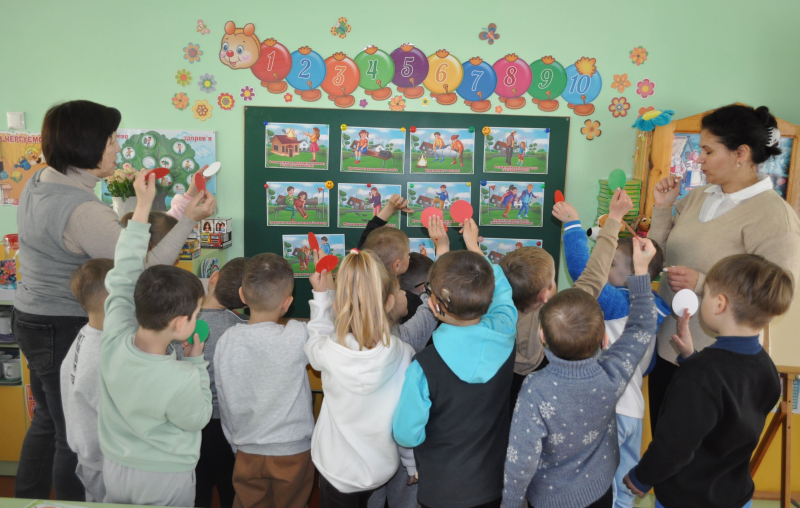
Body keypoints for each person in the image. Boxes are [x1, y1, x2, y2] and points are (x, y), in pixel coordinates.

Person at [12, 100, 211, 500]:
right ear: (87, 146)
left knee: (50, 419)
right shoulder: (84, 210)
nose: (118, 148)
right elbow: (141, 269)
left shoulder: (42, 179)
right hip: (64, 323)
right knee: (74, 435)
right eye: (111, 140)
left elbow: (126, 269)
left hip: (31, 314)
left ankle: (25, 497)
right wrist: (188, 219)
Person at [646, 104, 800, 433]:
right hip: (669, 349)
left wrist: (704, 283)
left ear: (740, 153)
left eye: (708, 150)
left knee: (700, 458)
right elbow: (657, 258)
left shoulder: (774, 216)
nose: (699, 159)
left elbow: (776, 295)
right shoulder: (698, 196)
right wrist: (662, 209)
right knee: (666, 448)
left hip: (719, 364)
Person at [624, 254, 793, 508]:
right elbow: (731, 411)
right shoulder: (767, 368)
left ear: (719, 304)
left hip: (687, 500)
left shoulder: (702, 374)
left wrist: (642, 477)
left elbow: (674, 445)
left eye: (707, 294)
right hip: (735, 497)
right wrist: (691, 358)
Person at [502, 236, 658, 508]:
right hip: (599, 492)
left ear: (542, 336)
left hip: (549, 500)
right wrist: (641, 270)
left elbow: (521, 459)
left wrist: (511, 503)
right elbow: (642, 326)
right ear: (604, 340)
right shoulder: (613, 373)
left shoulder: (535, 388)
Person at [98, 171, 214, 506]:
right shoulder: (181, 377)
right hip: (164, 476)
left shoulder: (114, 334)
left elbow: (124, 273)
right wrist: (195, 364)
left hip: (115, 467)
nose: (197, 319)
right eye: (196, 314)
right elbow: (197, 418)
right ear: (180, 323)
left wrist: (143, 204)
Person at [393, 218, 518, 508]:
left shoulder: (423, 366)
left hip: (440, 490)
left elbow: (406, 434)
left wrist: (443, 248)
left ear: (433, 304)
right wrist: (474, 247)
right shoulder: (505, 331)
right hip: (490, 485)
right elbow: (502, 292)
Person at [555, 197, 670, 508]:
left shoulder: (620, 304)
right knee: (621, 489)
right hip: (632, 409)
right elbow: (647, 365)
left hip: (609, 410)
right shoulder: (651, 306)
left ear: (634, 274)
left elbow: (584, 272)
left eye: (610, 264)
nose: (603, 267)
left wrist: (572, 225)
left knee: (596, 486)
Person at [501, 189, 634, 417]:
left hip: (508, 401)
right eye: (553, 280)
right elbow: (594, 274)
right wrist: (613, 219)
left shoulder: (495, 314)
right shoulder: (558, 314)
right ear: (545, 296)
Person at [304, 250, 415, 507]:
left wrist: (321, 296)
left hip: (335, 470)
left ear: (337, 306)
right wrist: (410, 463)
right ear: (389, 303)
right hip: (379, 469)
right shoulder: (404, 355)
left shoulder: (328, 351)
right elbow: (407, 419)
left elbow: (315, 340)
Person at [215, 254, 315, 508]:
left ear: (242, 295)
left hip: (247, 449)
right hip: (293, 452)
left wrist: (235, 443)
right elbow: (326, 330)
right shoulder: (297, 334)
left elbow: (224, 400)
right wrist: (324, 294)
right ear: (287, 303)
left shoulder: (226, 340)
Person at [193, 257, 249, 508]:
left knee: (197, 489)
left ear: (213, 279)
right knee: (230, 488)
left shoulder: (179, 323)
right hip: (226, 424)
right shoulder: (241, 329)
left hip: (189, 422)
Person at [59, 258, 114, 502]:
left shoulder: (88, 334)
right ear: (111, 301)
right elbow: (114, 413)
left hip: (92, 453)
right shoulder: (100, 354)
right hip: (102, 458)